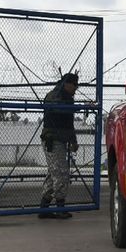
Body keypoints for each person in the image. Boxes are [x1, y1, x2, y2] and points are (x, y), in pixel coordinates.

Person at [39, 73, 79, 219]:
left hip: (60, 140)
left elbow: (69, 124)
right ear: (67, 83)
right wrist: (72, 109)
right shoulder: (54, 95)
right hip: (52, 140)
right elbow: (57, 109)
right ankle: (60, 207)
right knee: (61, 173)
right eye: (74, 85)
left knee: (54, 173)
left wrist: (73, 141)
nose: (76, 89)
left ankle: (44, 207)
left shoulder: (68, 99)